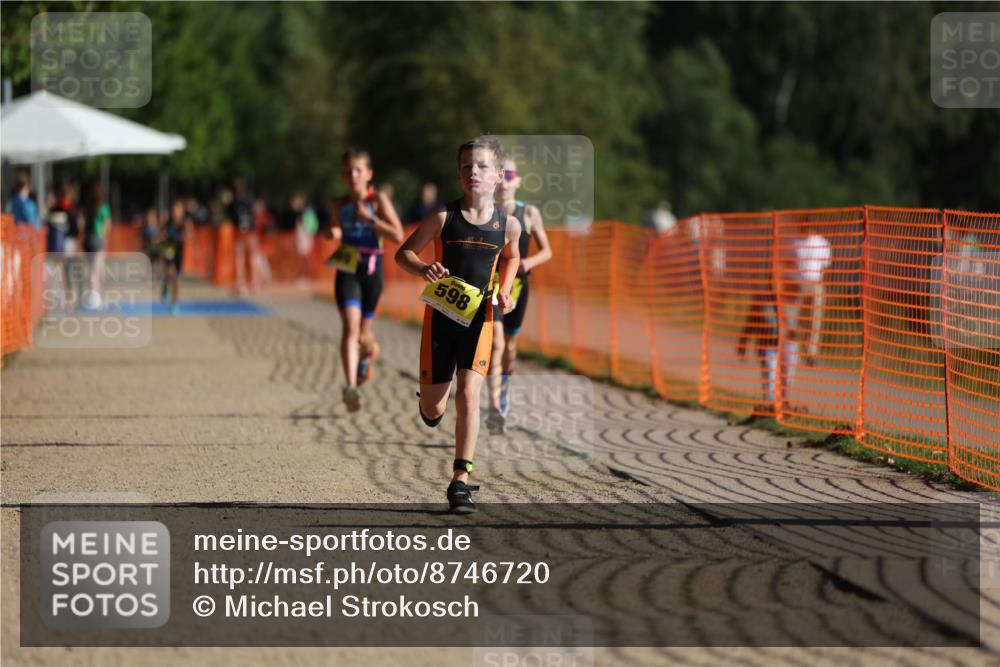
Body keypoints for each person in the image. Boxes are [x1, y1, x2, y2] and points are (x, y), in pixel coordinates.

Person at [395, 136, 522, 513]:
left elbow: (512, 256)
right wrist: (423, 268)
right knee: (435, 409)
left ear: (498, 175)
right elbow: (404, 253)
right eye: (466, 166)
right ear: (459, 173)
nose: (473, 173)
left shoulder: (508, 225)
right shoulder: (442, 218)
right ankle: (430, 403)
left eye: (481, 166)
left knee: (470, 393)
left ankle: (460, 481)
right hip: (441, 320)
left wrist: (506, 290)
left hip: (480, 319)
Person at [326, 149, 404, 412]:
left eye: (358, 170)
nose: (353, 175)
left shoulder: (378, 200)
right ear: (342, 175)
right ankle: (350, 387)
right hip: (347, 269)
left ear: (369, 174)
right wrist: (332, 230)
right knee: (350, 327)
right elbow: (337, 227)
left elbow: (397, 234)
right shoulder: (338, 203)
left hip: (373, 271)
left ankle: (368, 354)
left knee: (364, 334)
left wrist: (370, 220)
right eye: (348, 171)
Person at [485, 155, 552, 434]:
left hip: (519, 286)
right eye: (501, 175)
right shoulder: (485, 211)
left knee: (510, 346)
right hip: (493, 285)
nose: (505, 181)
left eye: (510, 175)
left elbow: (548, 251)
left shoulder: (529, 213)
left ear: (518, 181)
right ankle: (494, 407)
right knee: (496, 343)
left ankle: (504, 389)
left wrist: (528, 263)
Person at [82, 183, 112, 310]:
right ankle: (95, 299)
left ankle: (91, 296)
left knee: (89, 270)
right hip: (98, 239)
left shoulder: (87, 207)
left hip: (87, 240)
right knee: (96, 271)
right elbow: (108, 225)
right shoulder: (104, 207)